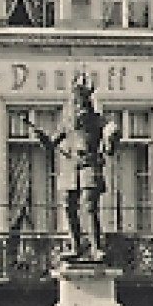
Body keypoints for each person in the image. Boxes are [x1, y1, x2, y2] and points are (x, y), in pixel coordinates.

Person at [31, 73, 120, 261]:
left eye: (82, 100)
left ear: (88, 101)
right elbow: (52, 144)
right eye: (77, 101)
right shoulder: (67, 123)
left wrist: (111, 136)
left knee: (90, 206)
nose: (79, 105)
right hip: (71, 168)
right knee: (68, 206)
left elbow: (111, 129)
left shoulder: (97, 120)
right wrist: (43, 138)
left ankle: (96, 248)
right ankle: (76, 246)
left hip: (89, 165)